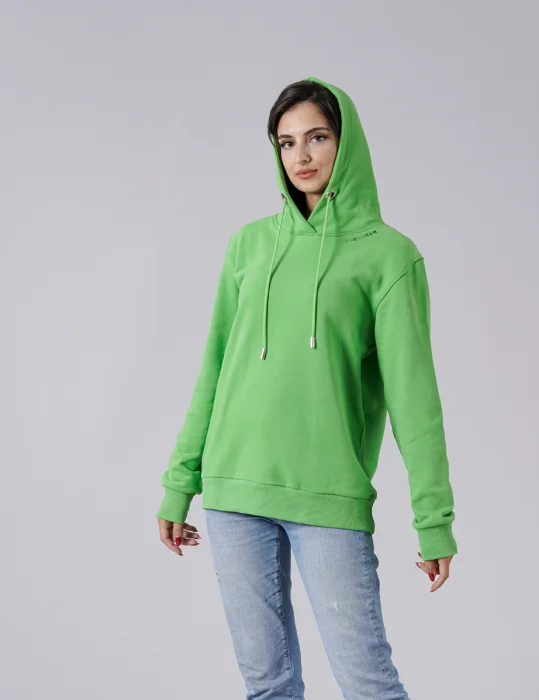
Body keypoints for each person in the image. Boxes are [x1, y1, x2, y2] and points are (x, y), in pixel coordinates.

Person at [156, 75, 458, 700]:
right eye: (286, 142)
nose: (301, 156)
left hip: (328, 494)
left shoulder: (389, 257)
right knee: (268, 687)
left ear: (346, 143)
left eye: (317, 137)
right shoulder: (248, 246)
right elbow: (214, 370)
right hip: (234, 490)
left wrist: (433, 521)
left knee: (369, 685)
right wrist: (179, 484)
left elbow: (415, 401)